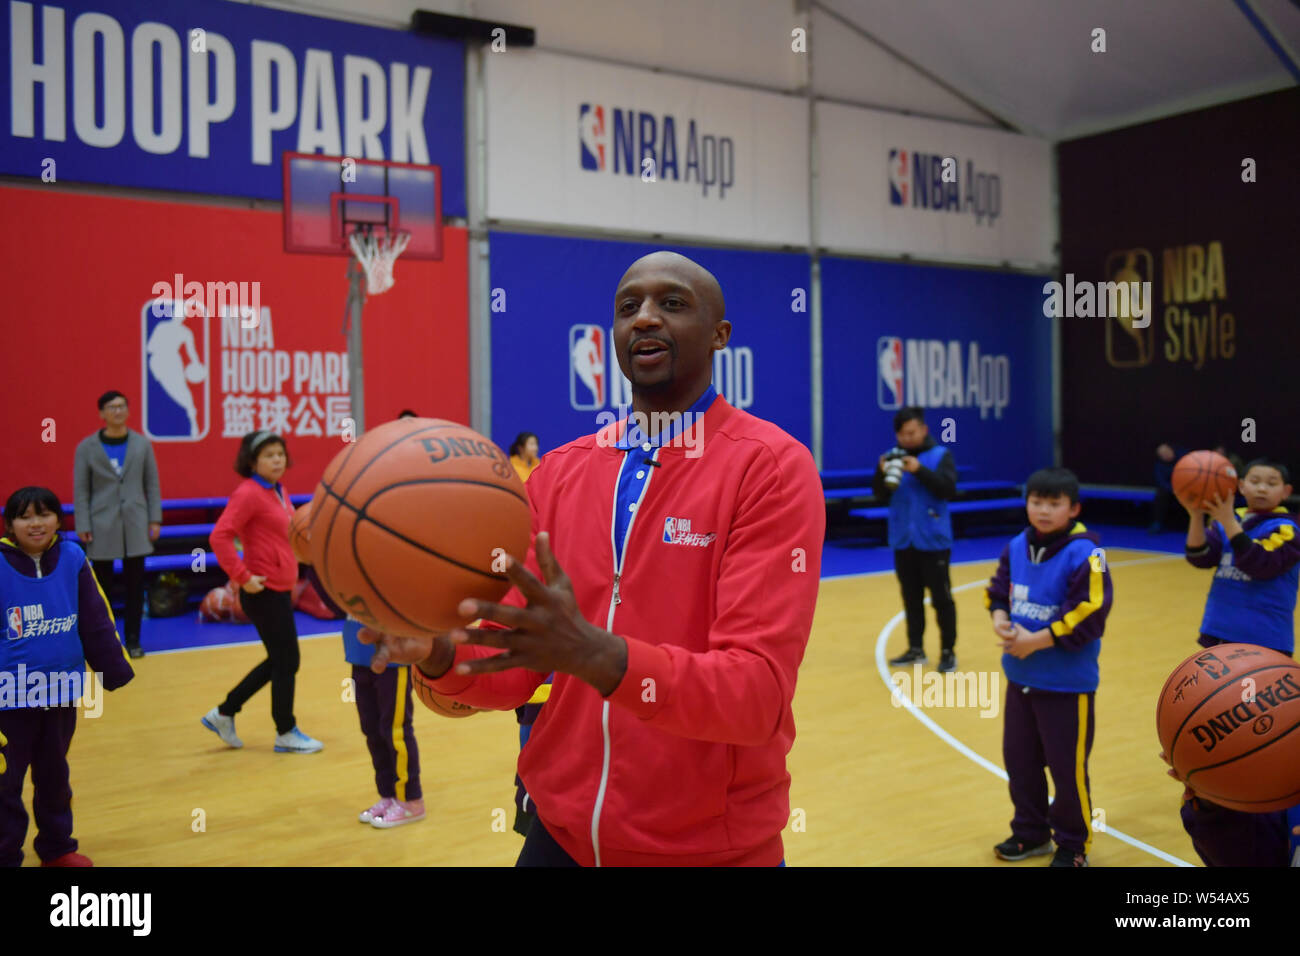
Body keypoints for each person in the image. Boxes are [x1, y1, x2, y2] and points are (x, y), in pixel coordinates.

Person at [361, 251, 824, 866]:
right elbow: (516, 659)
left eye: (673, 303)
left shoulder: (769, 467)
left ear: (720, 336)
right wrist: (440, 651)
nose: (646, 319)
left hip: (706, 847)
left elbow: (754, 696)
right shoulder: (559, 471)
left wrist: (598, 655)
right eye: (628, 307)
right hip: (559, 832)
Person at [984, 468, 1113, 868]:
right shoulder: (1016, 544)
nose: (1042, 510)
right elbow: (997, 590)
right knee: (1019, 763)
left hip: (1066, 686)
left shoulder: (1088, 554)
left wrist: (1034, 641)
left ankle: (1074, 845)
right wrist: (1000, 618)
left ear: (1073, 508)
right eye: (1036, 501)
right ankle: (1030, 832)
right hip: (1021, 679)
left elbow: (1090, 613)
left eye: (1053, 504)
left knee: (1067, 770)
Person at [0, 486, 135, 867]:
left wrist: (113, 667)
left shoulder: (73, 557)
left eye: (44, 514)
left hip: (60, 693)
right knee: (4, 785)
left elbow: (95, 618)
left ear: (58, 520)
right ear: (10, 524)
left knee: (54, 776)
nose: (36, 523)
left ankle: (58, 848)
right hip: (8, 700)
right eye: (25, 516)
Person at [1174, 457, 1299, 866]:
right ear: (1239, 484)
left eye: (1272, 481)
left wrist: (1228, 520)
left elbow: (1260, 564)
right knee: (1216, 726)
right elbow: (1199, 556)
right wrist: (1196, 514)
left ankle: (1261, 795)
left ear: (1287, 491)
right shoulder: (1234, 518)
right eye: (1254, 480)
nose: (1262, 487)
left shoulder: (1288, 528)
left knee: (1258, 734)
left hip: (1264, 652)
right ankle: (1217, 791)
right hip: (1218, 641)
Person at [201, 430, 322, 753]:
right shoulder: (248, 493)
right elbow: (219, 537)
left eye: (280, 454)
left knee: (280, 660)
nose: (277, 460)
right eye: (269, 455)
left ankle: (224, 712)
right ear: (253, 461)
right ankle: (285, 731)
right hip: (262, 592)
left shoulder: (278, 490)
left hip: (281, 589)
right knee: (287, 660)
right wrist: (242, 576)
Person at [72, 391, 161, 658]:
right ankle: (104, 642)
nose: (118, 411)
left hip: (135, 523)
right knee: (101, 589)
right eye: (112, 407)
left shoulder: (141, 444)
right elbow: (81, 490)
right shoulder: (86, 448)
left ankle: (133, 640)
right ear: (102, 413)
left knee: (136, 587)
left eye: (122, 406)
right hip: (101, 524)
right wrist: (83, 522)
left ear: (128, 411)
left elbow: (152, 484)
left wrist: (154, 518)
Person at [874, 407, 959, 671]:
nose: (907, 438)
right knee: (910, 598)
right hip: (903, 539)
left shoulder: (940, 456)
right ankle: (915, 648)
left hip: (933, 540)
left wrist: (919, 470)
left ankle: (947, 651)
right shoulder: (892, 457)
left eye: (912, 432)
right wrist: (881, 472)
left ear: (924, 429)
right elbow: (879, 495)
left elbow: (948, 490)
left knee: (941, 599)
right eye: (902, 434)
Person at [343, 617, 424, 827]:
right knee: (371, 730)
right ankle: (388, 794)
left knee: (395, 730)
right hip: (358, 653)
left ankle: (411, 799)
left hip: (394, 658)